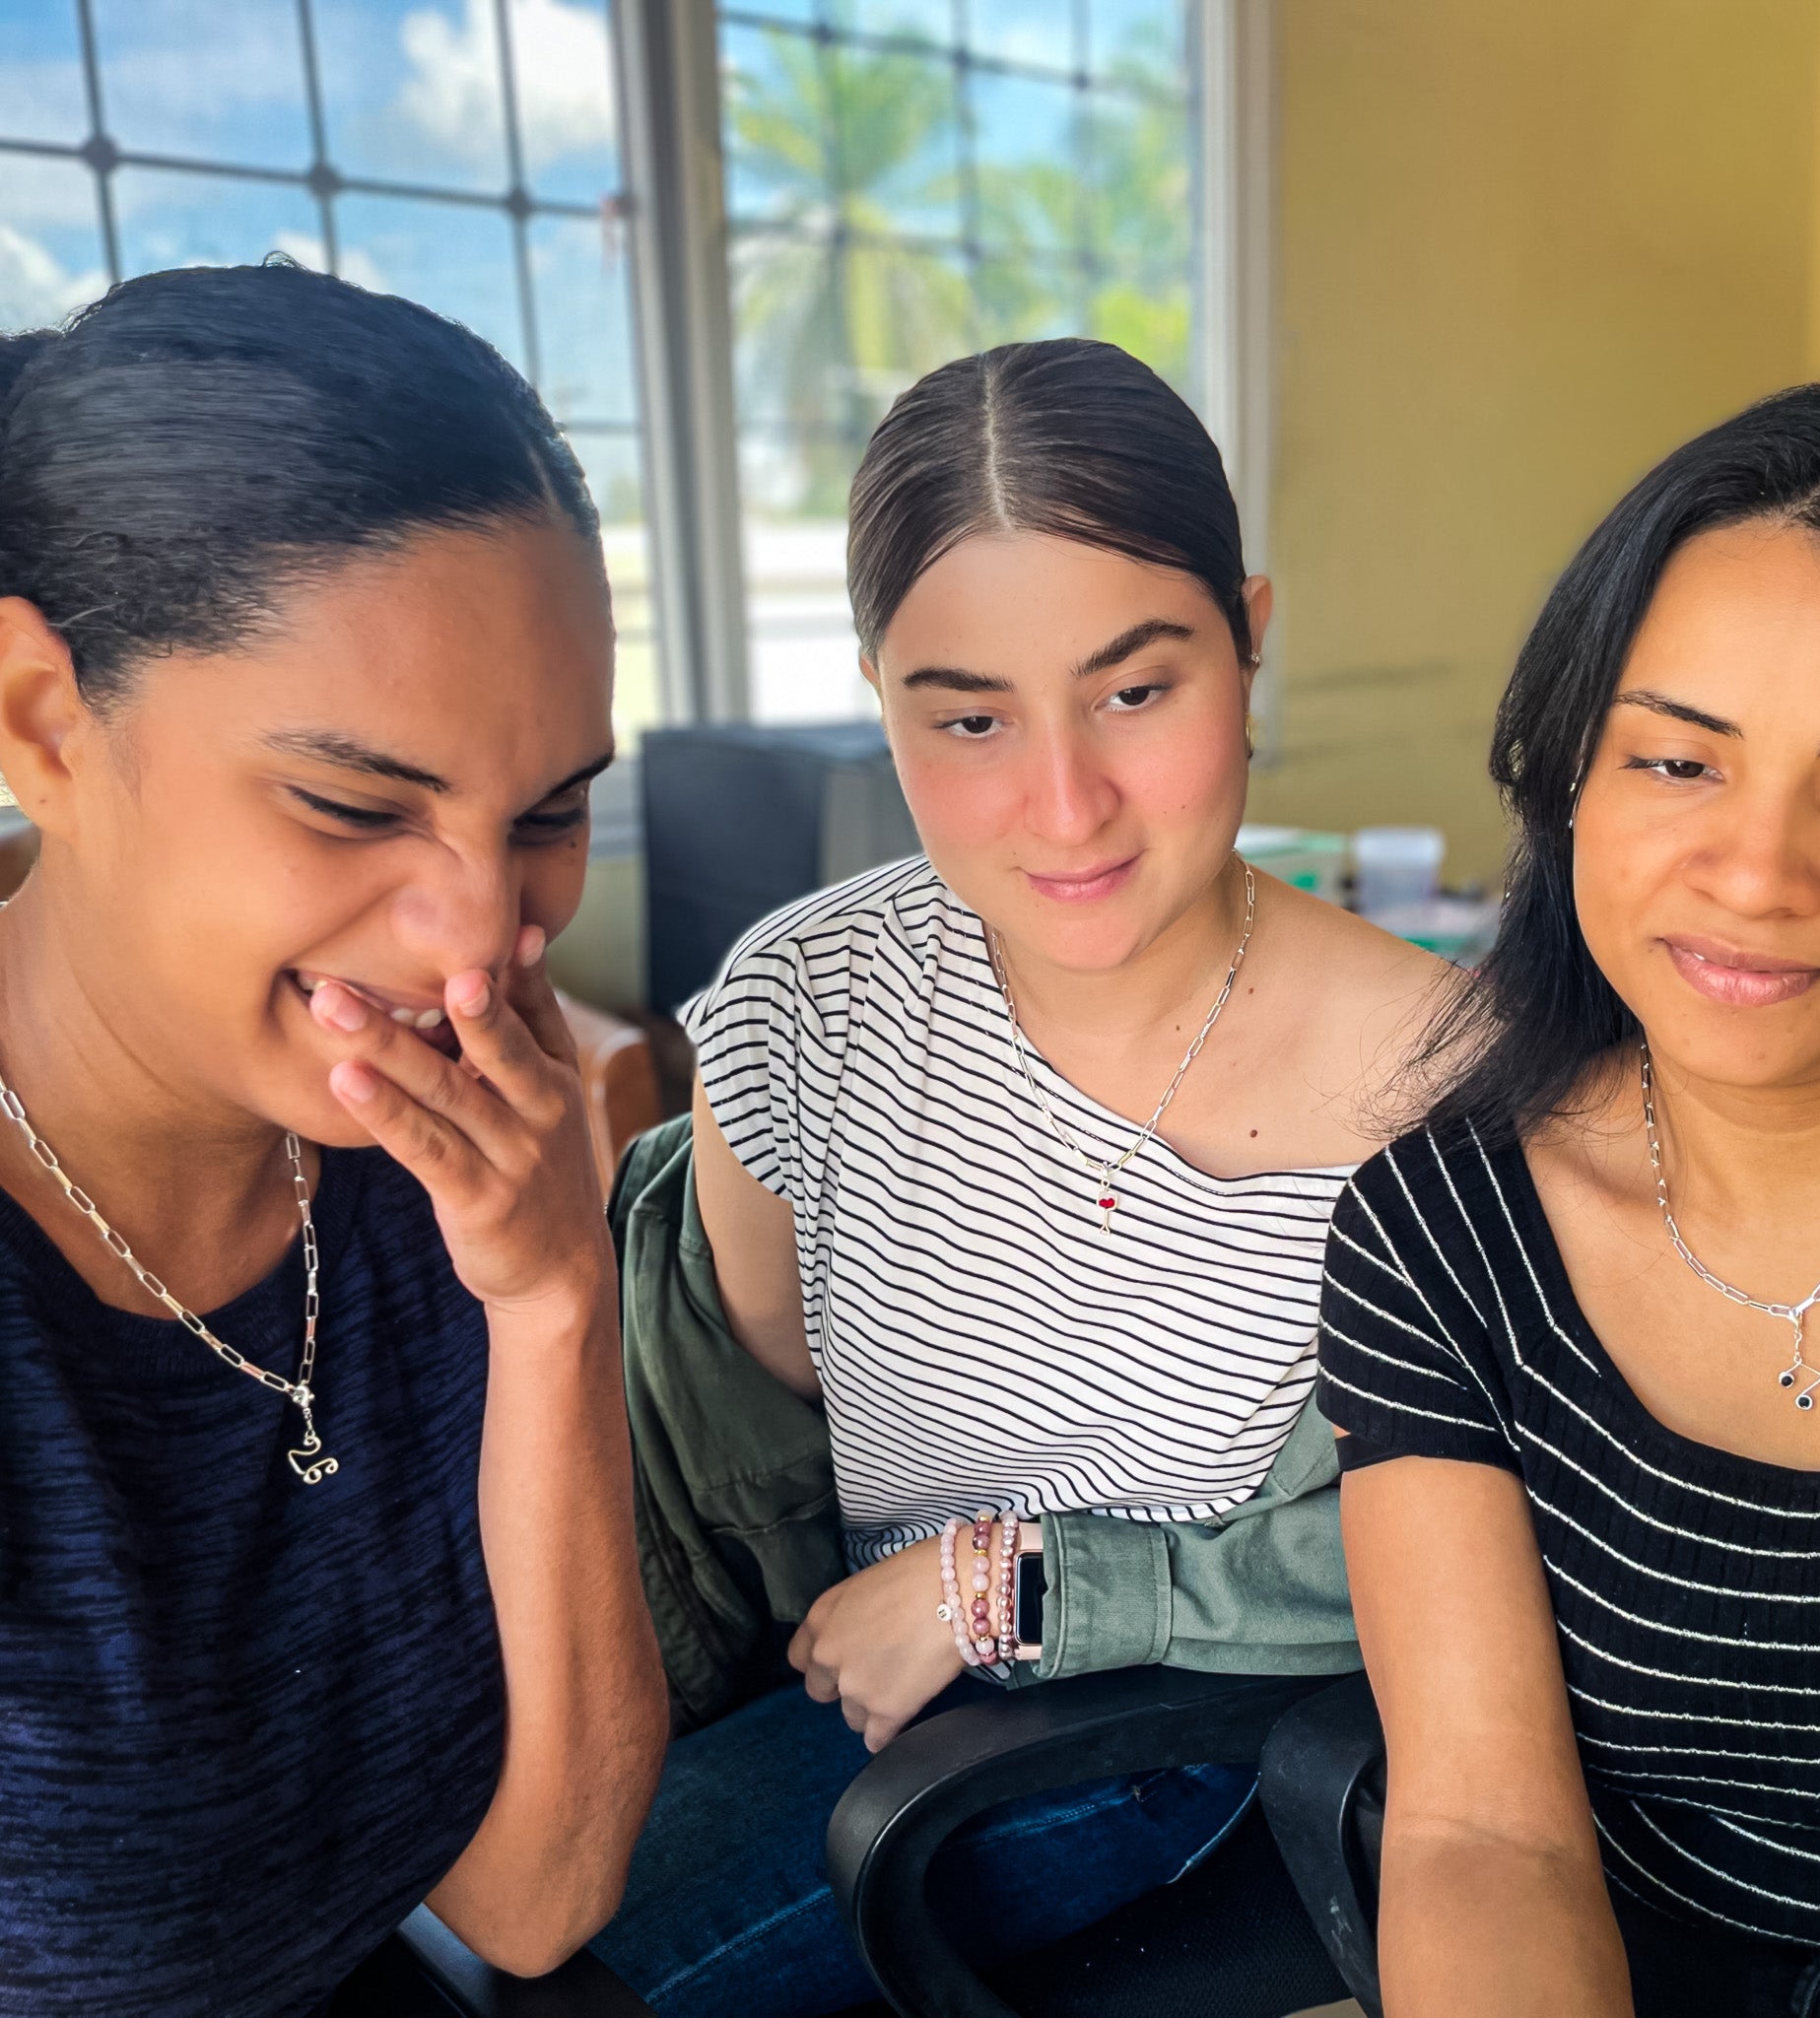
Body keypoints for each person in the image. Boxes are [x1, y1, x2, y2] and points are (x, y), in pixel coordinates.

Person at [593, 338, 1448, 2015]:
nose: (1065, 807)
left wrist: (1009, 1587)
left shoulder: (1446, 1088)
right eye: (970, 718)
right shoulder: (804, 1003)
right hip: (830, 1676)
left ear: (1250, 639)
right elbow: (748, 1469)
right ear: (881, 697)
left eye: (1136, 692)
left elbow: (1447, 1571)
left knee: (547, 1970)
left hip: (1146, 1732)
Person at [0, 260, 666, 2018]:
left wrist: (556, 1305)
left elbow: (536, 1895)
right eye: (356, 804)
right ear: (42, 722)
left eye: (550, 812)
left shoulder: (440, 1163)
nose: (477, 942)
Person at [1318, 380, 1820, 2015]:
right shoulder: (1446, 1234)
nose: (1755, 873)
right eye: (1680, 761)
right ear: (1572, 774)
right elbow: (1486, 1836)